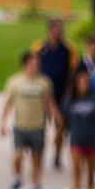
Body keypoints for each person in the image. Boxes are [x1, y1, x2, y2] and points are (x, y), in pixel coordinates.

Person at [0, 51, 59, 189]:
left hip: (37, 125)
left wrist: (56, 118)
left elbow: (49, 102)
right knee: (18, 154)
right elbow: (8, 104)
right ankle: (17, 177)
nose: (36, 66)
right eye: (33, 64)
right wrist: (2, 123)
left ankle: (35, 182)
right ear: (25, 65)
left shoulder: (43, 83)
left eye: (37, 64)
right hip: (21, 125)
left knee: (36, 156)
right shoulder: (15, 82)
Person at [35, 19, 77, 172]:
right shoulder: (40, 48)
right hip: (43, 93)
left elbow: (72, 74)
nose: (56, 32)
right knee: (39, 127)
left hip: (60, 94)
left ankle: (57, 156)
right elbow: (34, 67)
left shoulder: (68, 50)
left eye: (59, 29)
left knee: (60, 127)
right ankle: (38, 155)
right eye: (53, 29)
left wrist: (69, 93)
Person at [62, 68, 95, 189]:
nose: (84, 84)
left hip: (92, 139)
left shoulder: (94, 99)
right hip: (76, 138)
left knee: (91, 171)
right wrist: (59, 134)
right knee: (77, 170)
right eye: (81, 81)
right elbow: (63, 119)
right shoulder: (70, 100)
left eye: (86, 81)